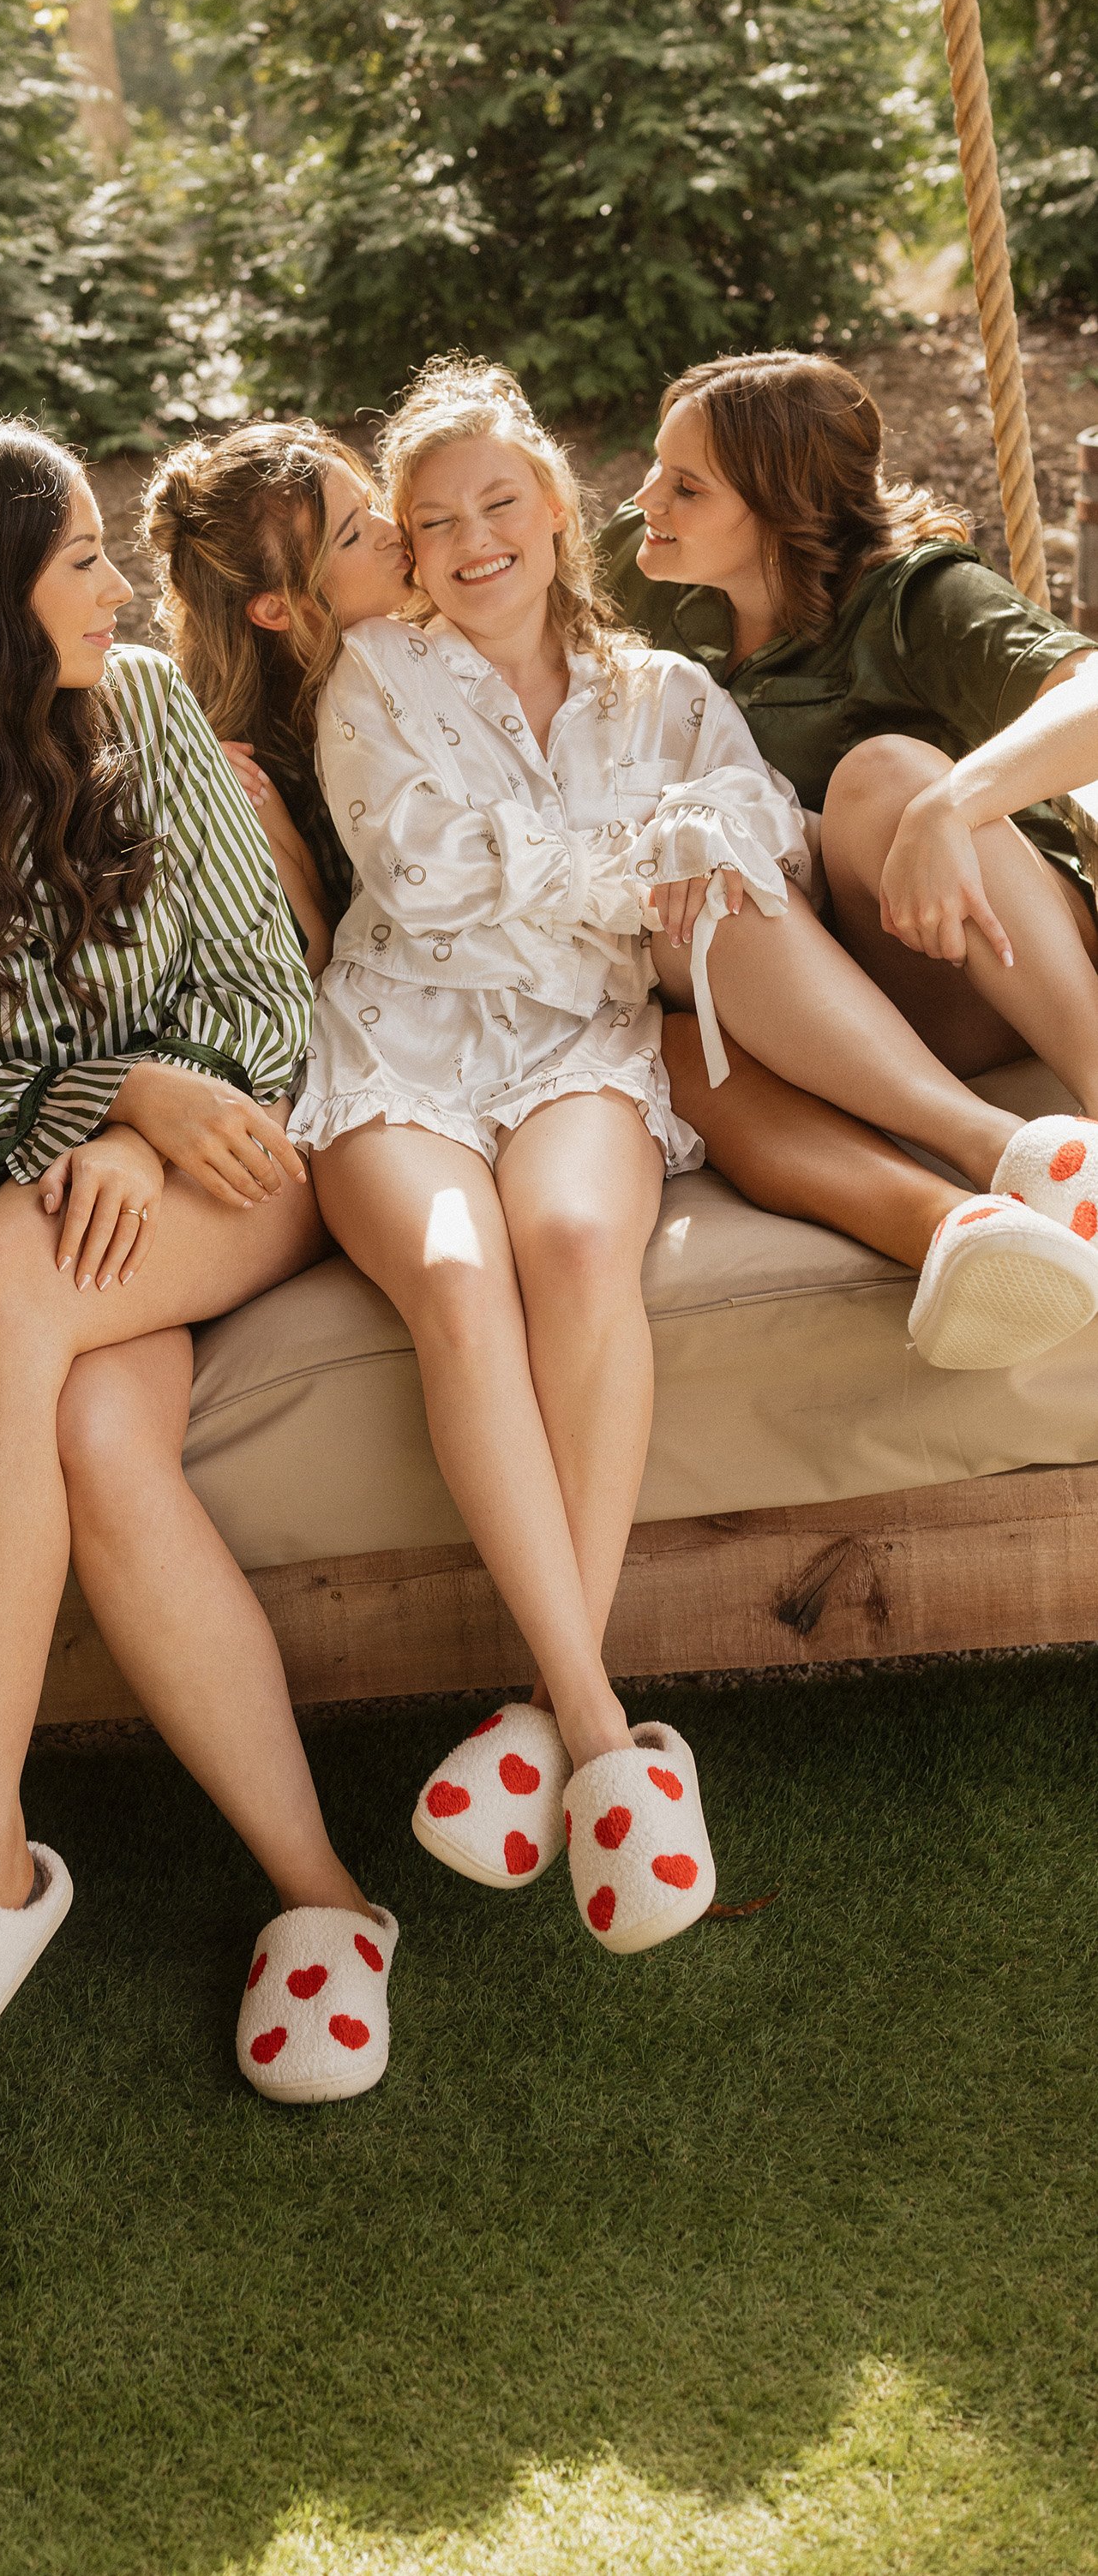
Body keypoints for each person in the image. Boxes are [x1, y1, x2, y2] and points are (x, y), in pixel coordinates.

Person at [288, 360, 1095, 1955]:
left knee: (581, 1250)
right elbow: (434, 876)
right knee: (463, 1276)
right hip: (407, 1043)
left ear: (551, 501)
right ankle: (595, 1728)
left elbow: (751, 845)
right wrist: (634, 860)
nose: (472, 539)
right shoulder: (377, 672)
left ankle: (544, 1717)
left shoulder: (664, 685)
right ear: (409, 542)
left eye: (501, 501)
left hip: (585, 1040)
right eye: (434, 520)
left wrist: (650, 862)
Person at [0, 420, 399, 2108]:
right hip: (42, 1189)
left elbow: (265, 1007)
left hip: (241, 1161)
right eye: (81, 562)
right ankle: (325, 1895)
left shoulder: (148, 713)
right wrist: (95, 1093)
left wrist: (149, 1120)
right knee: (99, 1439)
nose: (120, 588)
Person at [153, 410, 1098, 1375]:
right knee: (681, 1042)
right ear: (277, 604)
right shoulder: (302, 727)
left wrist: (713, 839)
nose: (644, 500)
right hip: (576, 1013)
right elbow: (384, 901)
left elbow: (759, 820)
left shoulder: (680, 647)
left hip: (802, 955)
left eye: (683, 485)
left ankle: (1030, 1148)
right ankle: (964, 1224)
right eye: (398, 525)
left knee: (770, 861)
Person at [600, 351, 1098, 1297]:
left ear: (783, 509)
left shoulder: (913, 598)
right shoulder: (645, 564)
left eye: (685, 485)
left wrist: (950, 803)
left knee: (883, 778)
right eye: (656, 467)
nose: (645, 498)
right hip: (842, 991)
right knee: (683, 963)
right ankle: (981, 1207)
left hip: (985, 950)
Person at [143, 420, 414, 968]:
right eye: (353, 534)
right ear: (276, 609)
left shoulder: (436, 633)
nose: (392, 530)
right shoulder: (243, 766)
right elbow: (313, 960)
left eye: (370, 504)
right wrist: (268, 829)